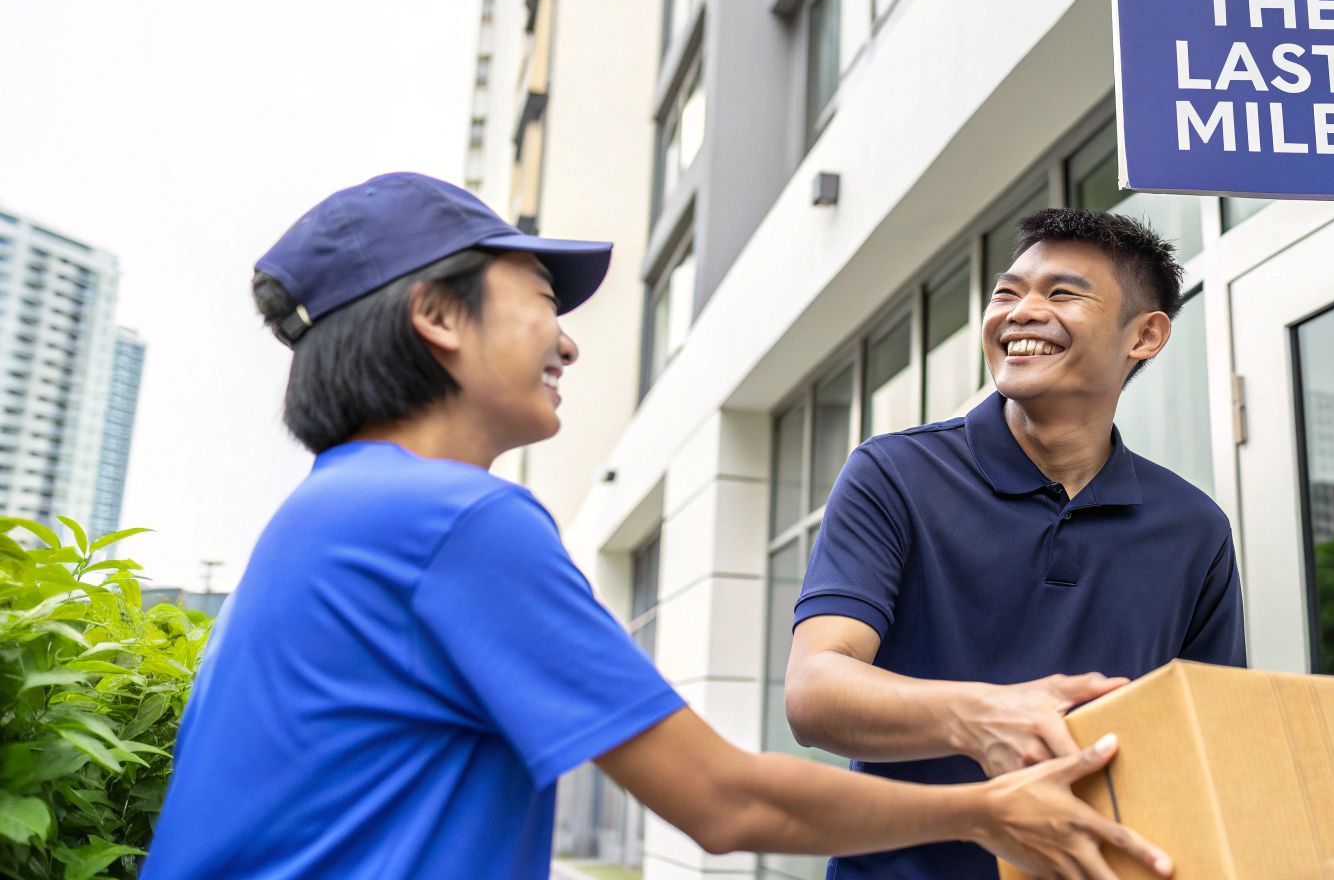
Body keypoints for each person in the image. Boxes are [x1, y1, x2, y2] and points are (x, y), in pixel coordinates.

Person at [140, 174, 1172, 880]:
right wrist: (982, 809)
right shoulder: (452, 520)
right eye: (540, 300)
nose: (570, 344)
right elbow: (724, 802)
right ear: (437, 317)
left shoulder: (337, 506)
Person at [786, 207, 1246, 878]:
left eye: (1062, 293)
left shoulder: (1194, 529)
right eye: (1008, 293)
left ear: (1144, 335)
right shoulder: (894, 474)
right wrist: (982, 714)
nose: (1021, 312)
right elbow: (815, 691)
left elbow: (1216, 743)